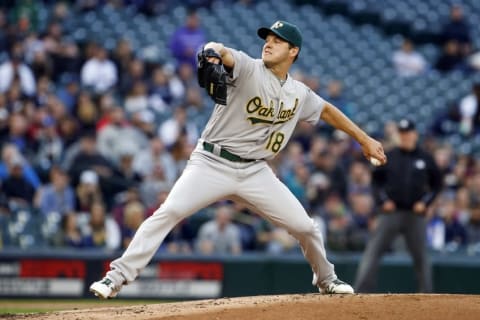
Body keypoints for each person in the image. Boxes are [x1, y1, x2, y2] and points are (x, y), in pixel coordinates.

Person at [90, 20, 386, 298]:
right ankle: (115, 277)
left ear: (293, 51)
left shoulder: (298, 93)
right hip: (211, 162)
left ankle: (326, 279)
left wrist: (364, 139)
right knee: (168, 212)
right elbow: (221, 50)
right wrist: (210, 52)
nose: (268, 44)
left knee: (306, 227)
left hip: (256, 171)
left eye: (277, 41)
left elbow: (327, 111)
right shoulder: (248, 68)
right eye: (267, 39)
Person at [355, 119, 442, 293]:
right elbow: (376, 182)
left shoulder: (425, 158)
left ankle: (427, 295)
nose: (405, 136)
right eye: (402, 133)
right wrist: (382, 201)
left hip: (415, 215)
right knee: (373, 252)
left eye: (408, 133)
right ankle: (361, 292)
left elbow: (437, 184)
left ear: (415, 134)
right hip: (391, 212)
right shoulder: (390, 156)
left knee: (421, 257)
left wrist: (425, 203)